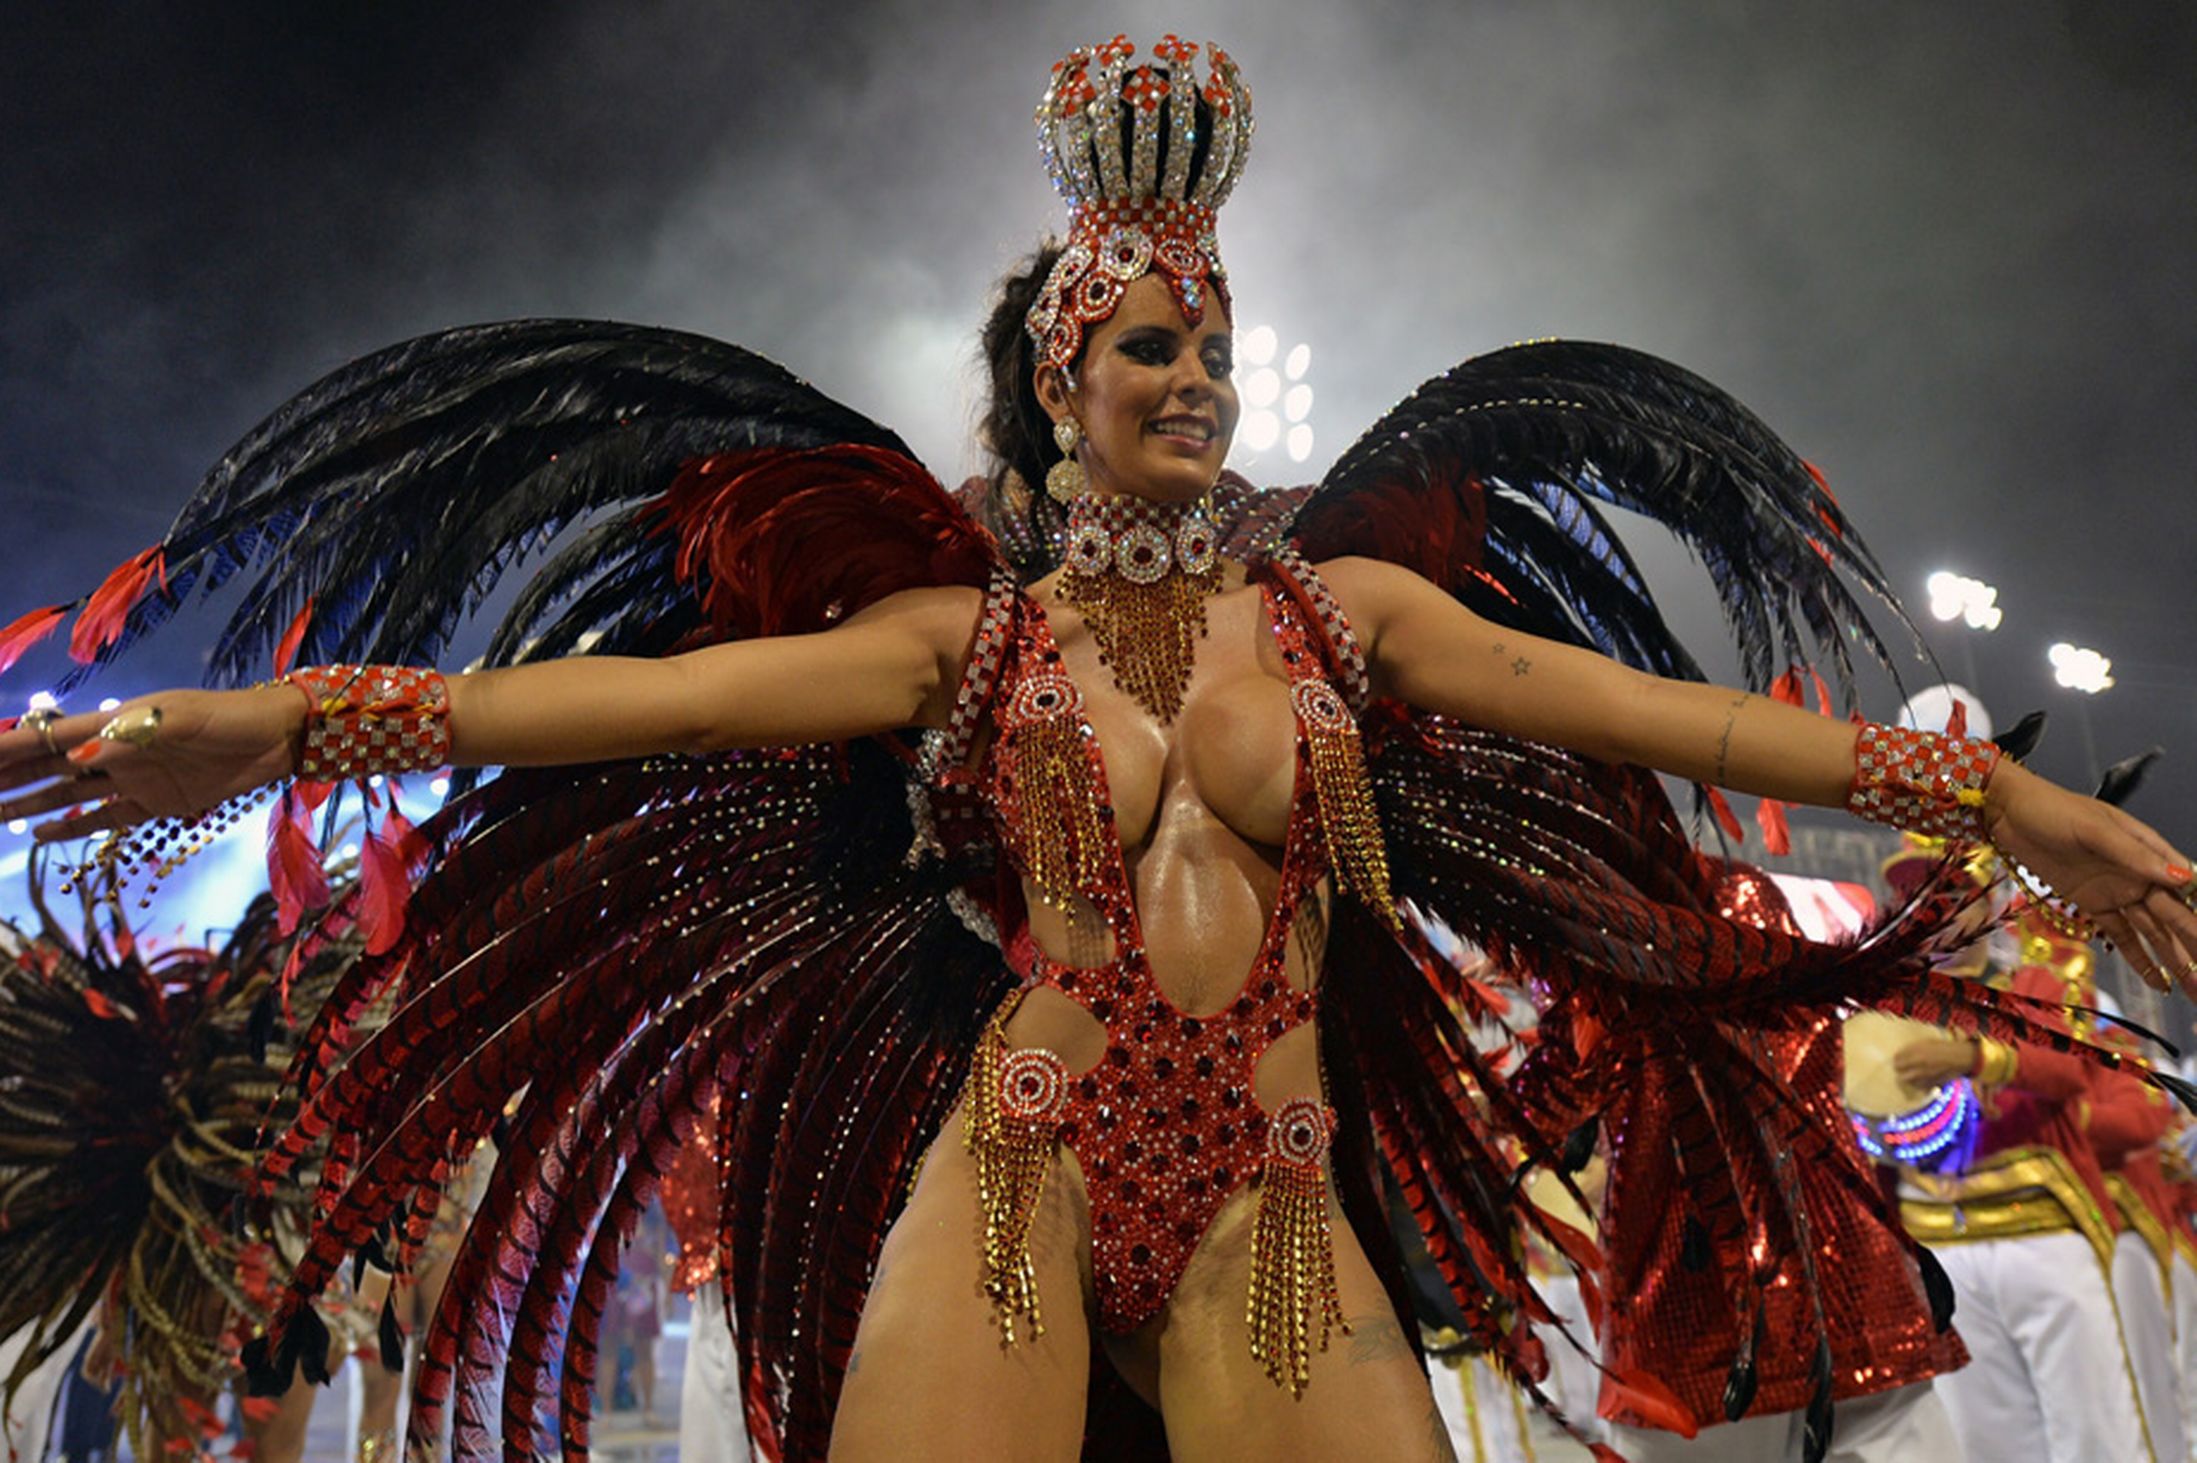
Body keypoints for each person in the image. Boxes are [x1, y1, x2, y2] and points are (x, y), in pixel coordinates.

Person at [1, 33, 2193, 1463]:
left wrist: (2009, 800)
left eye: (1219, 347)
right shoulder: (955, 639)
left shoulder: (1354, 620)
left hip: (1271, 1186)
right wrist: (259, 730)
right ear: (1064, 376)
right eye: (1157, 345)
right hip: (1014, 1182)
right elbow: (610, 706)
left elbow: (1696, 720)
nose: (1204, 382)